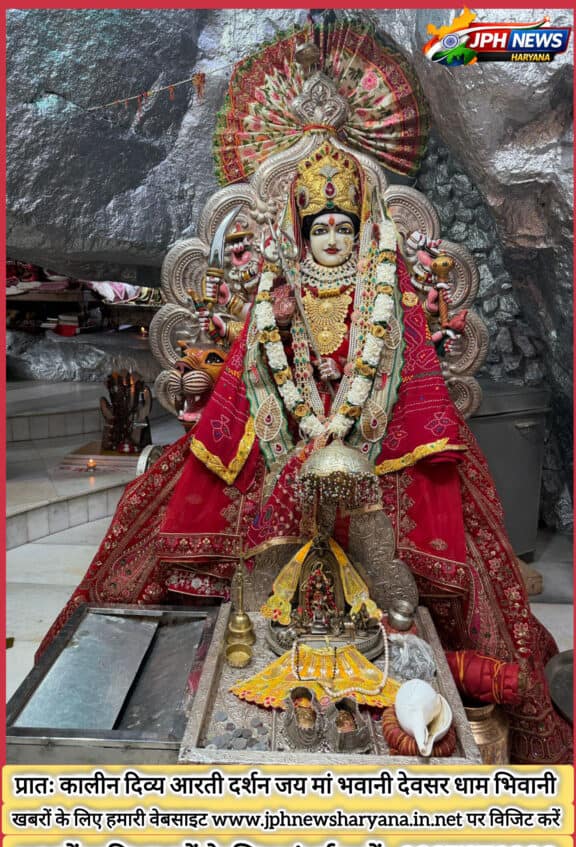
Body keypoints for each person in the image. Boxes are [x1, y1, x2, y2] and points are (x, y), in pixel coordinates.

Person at [38, 138, 572, 765]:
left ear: (360, 228)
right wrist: (298, 412)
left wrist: (348, 424)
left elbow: (409, 371)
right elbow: (250, 368)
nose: (333, 239)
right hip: (283, 425)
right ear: (301, 230)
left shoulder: (385, 286)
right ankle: (258, 619)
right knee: (199, 493)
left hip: (370, 430)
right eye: (320, 227)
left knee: (429, 498)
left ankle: (395, 619)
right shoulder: (277, 290)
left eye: (344, 226)